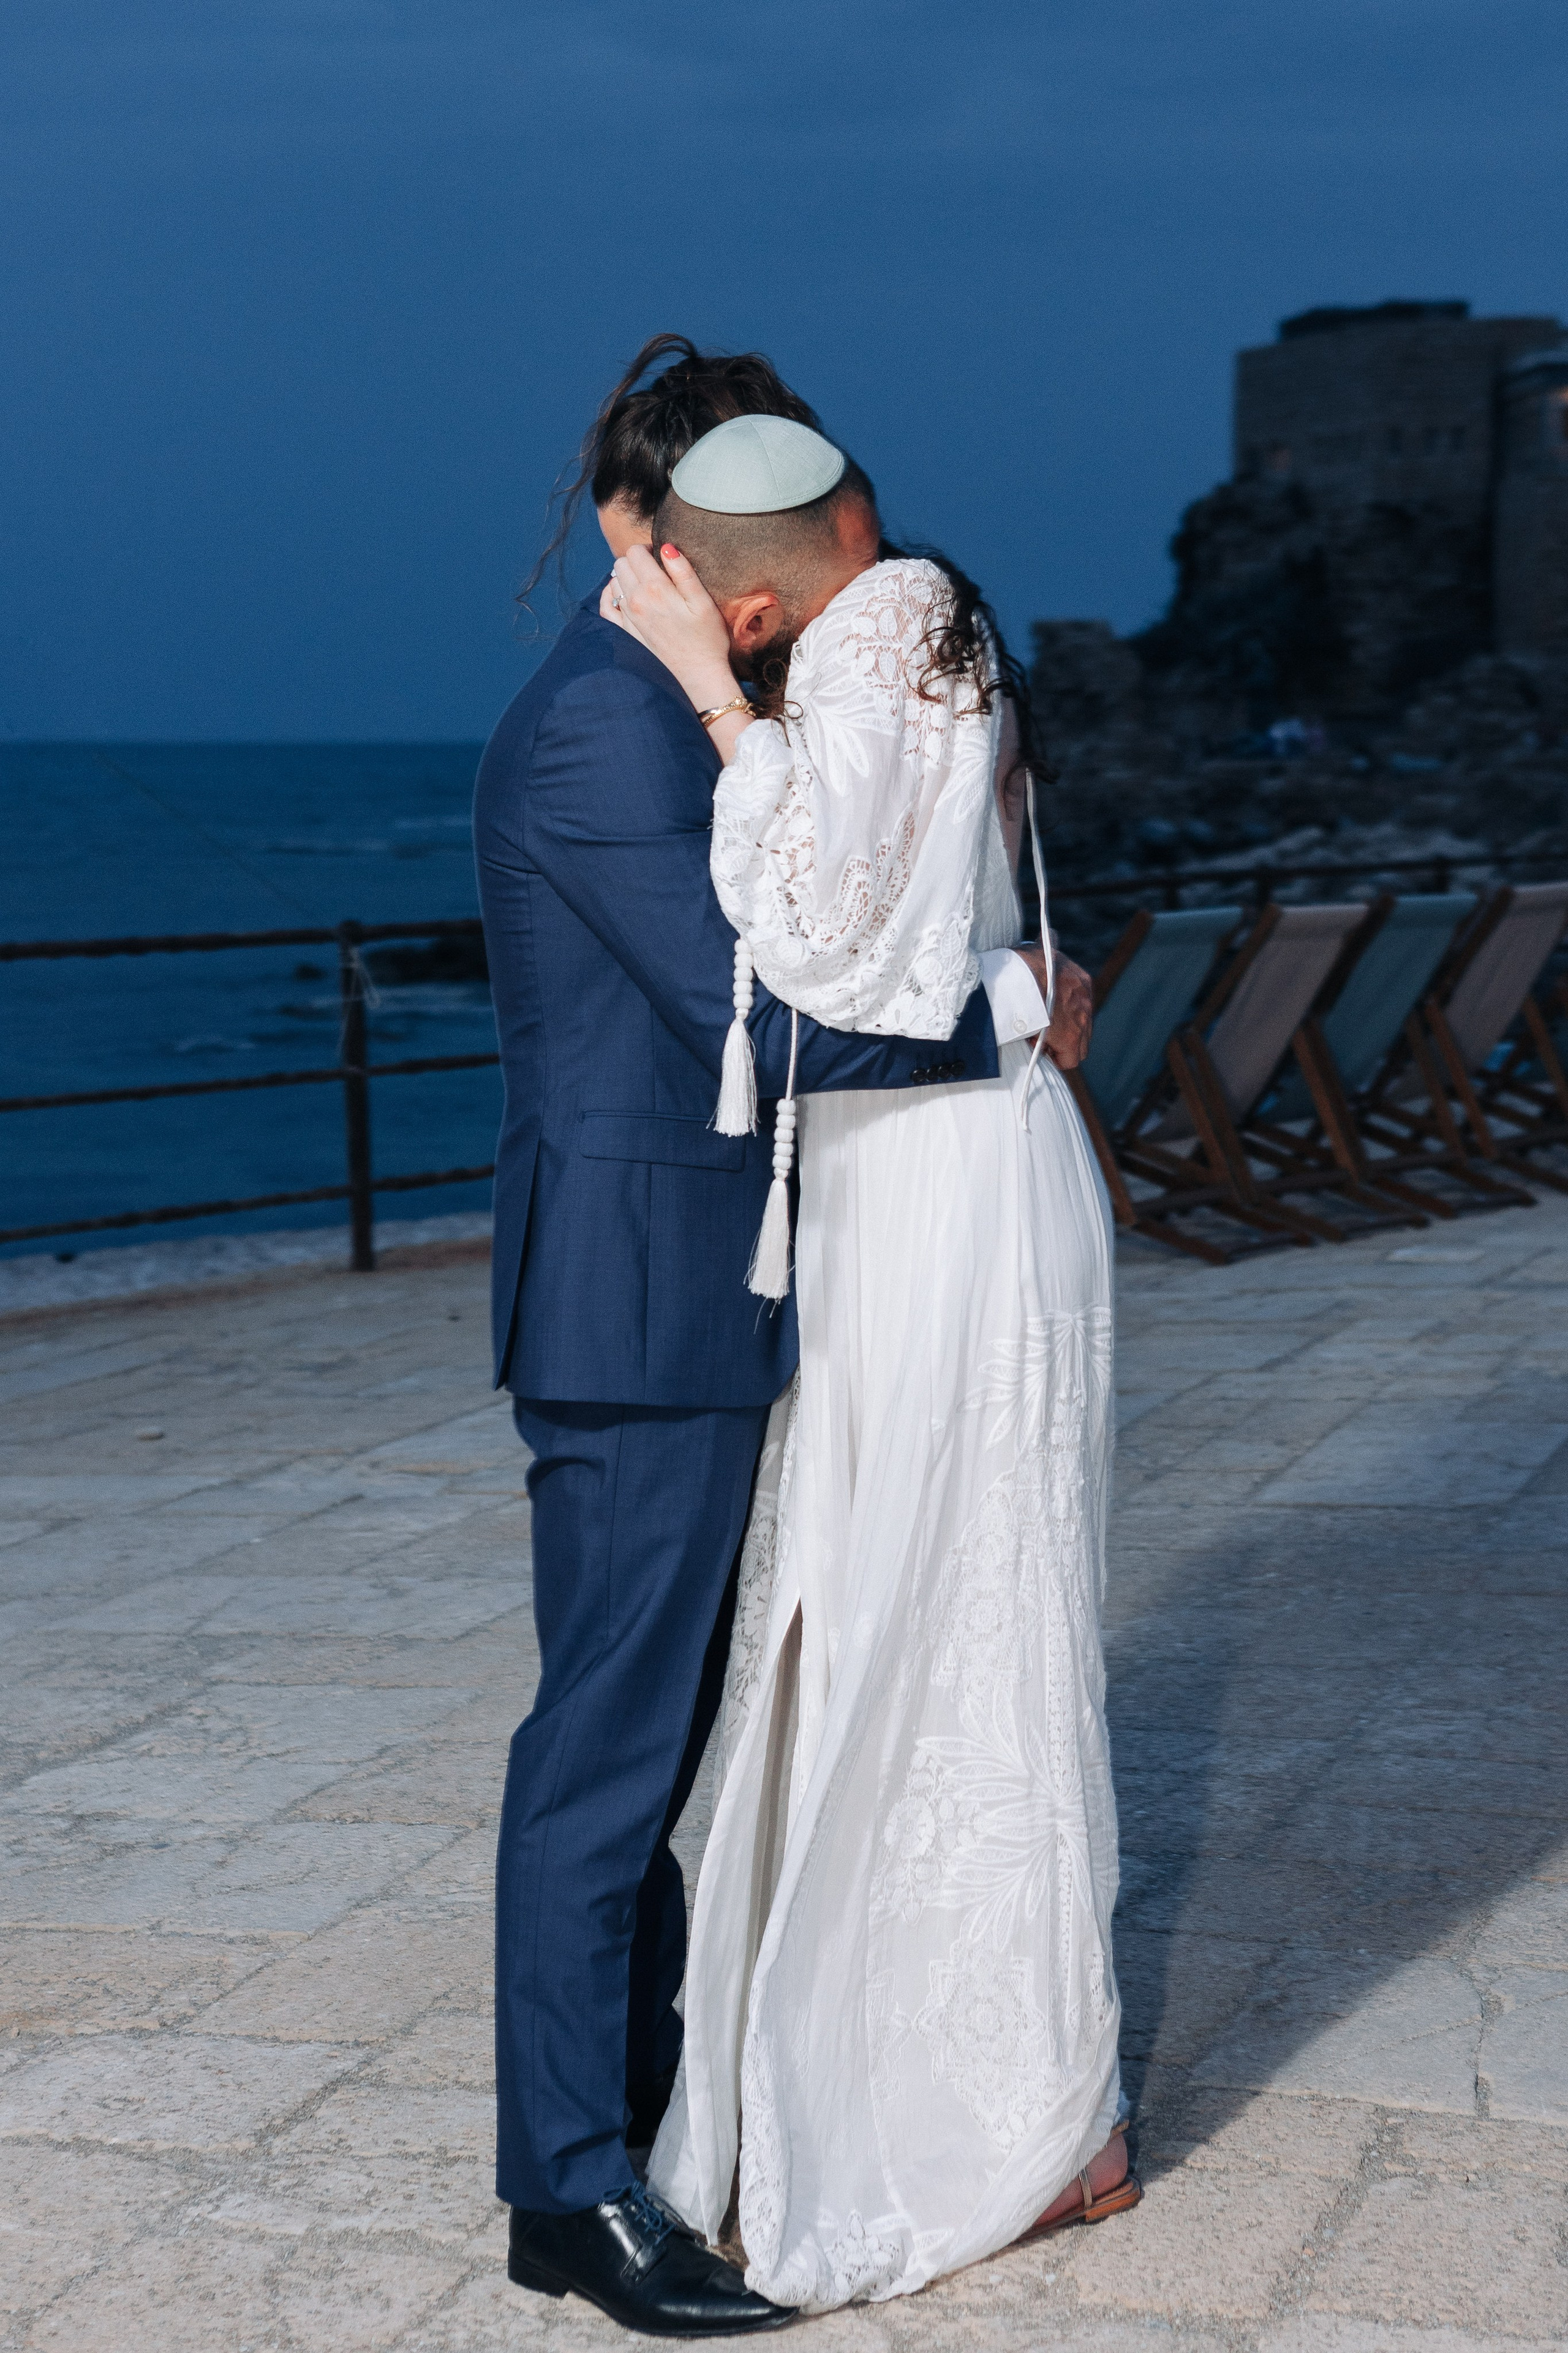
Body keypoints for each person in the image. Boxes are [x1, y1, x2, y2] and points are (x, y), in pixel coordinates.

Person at [473, 345, 1089, 2338]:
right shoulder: (608, 732)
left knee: (660, 1744)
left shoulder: (675, 712)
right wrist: (1008, 1009)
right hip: (643, 1308)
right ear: (687, 555)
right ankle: (569, 2187)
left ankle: (642, 2125)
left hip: (708, 1298)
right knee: (608, 1750)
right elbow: (767, 1020)